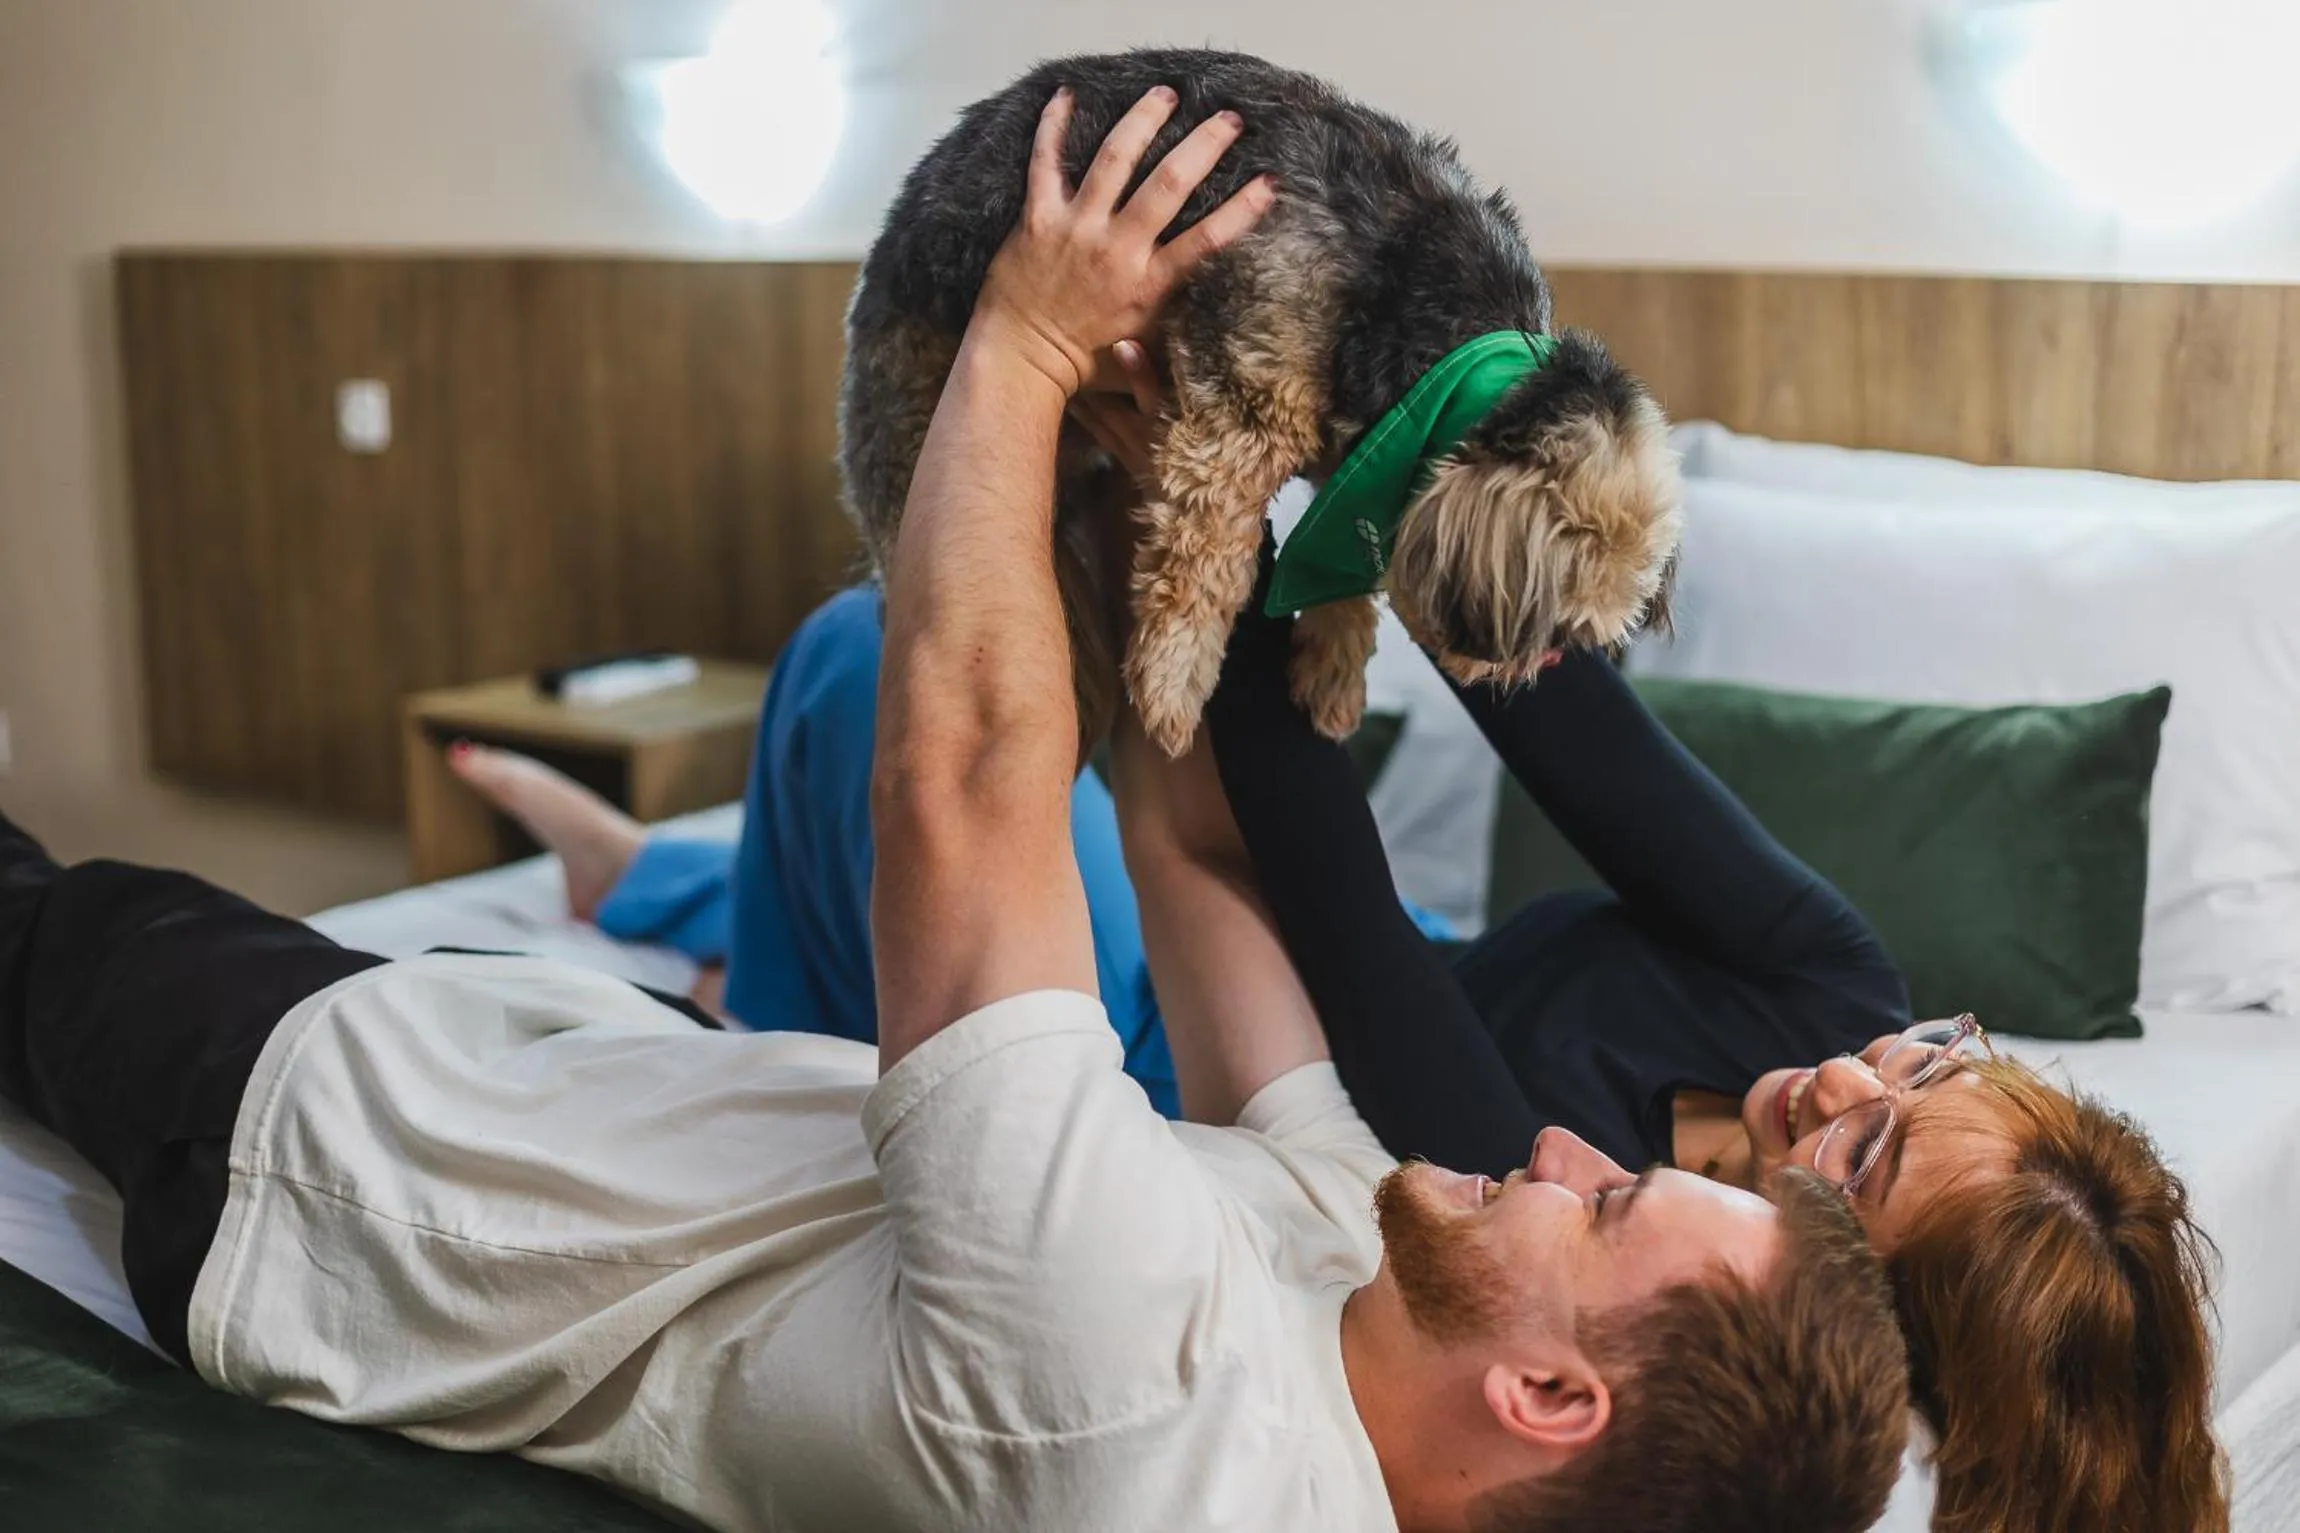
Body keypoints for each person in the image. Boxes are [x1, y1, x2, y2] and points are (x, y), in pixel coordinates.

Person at [0, 89, 1914, 1533]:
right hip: (579, 1080)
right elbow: (1197, 850)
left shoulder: (1143, 1416)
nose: (1563, 1149)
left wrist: (1025, 339)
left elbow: (961, 787)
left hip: (347, 1163)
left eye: (1611, 1205)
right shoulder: (1380, 1274)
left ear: (1555, 1400)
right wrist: (1142, 488)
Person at [469, 296, 2226, 1533]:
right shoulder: (1831, 989)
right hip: (1257, 971)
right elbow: (1540, 683)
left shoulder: (1560, 1244)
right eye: (1931, 1066)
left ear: (1852, 1316)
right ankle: (674, 905)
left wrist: (1197, 520)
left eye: (1867, 1157)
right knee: (864, 689)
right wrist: (1369, 420)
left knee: (872, 664)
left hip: (1205, 1058)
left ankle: (726, 959)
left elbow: (1322, 883)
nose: (1851, 1075)